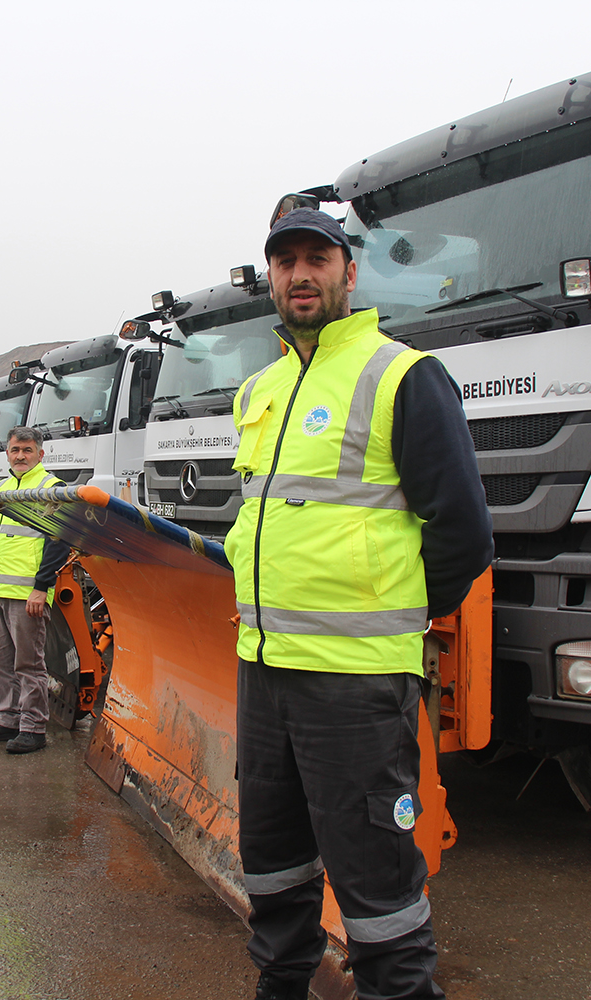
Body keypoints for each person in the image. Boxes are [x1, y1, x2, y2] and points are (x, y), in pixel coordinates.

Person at [225, 208, 492, 1000]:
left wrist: (394, 610)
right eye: (285, 263)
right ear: (270, 278)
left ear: (348, 272)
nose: (300, 275)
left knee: (376, 886)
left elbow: (464, 534)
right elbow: (259, 516)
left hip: (356, 680)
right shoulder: (259, 389)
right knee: (271, 864)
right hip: (265, 671)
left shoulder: (403, 375)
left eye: (317, 259)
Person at [0, 426, 69, 755]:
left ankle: (33, 727)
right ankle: (7, 719)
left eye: (27, 450)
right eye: (15, 450)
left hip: (28, 595)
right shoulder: (1, 489)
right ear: (7, 454)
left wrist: (41, 588)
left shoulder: (52, 488)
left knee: (28, 664)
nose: (21, 456)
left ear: (41, 454)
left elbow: (58, 543)